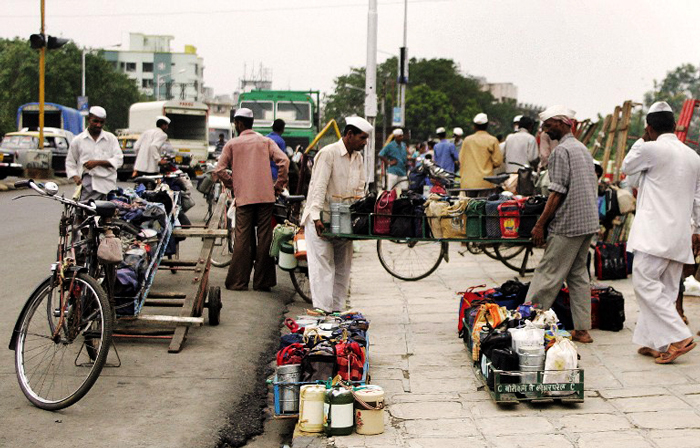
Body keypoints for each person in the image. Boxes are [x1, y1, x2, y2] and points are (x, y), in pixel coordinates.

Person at [621, 101, 700, 363]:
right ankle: (653, 341)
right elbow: (698, 199)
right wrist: (697, 228)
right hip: (679, 235)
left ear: (650, 127)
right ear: (675, 126)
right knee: (665, 291)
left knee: (644, 284)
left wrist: (640, 142)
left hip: (654, 235)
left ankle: (680, 337)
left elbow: (626, 167)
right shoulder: (693, 156)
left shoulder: (651, 149)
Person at [524, 105, 598, 344]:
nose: (545, 131)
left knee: (548, 273)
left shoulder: (561, 151)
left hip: (568, 223)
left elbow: (557, 192)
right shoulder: (582, 149)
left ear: (564, 123)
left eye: (549, 125)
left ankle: (528, 323)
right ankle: (582, 329)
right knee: (578, 275)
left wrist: (540, 224)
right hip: (587, 222)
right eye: (544, 126)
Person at [301, 116, 372, 313]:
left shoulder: (358, 158)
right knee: (323, 267)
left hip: (344, 219)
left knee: (343, 268)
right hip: (320, 219)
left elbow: (359, 189)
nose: (365, 143)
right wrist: (315, 217)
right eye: (362, 138)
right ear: (349, 135)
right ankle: (323, 312)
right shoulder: (328, 153)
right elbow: (318, 186)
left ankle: (337, 312)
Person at [214, 108, 290, 291]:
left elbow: (218, 170)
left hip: (244, 197)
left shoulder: (232, 144)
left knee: (242, 238)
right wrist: (278, 186)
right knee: (264, 237)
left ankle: (238, 281)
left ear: (239, 124)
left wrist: (233, 184)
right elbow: (284, 162)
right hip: (266, 197)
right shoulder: (266, 141)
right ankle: (262, 282)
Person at [65, 106, 123, 201]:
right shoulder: (78, 140)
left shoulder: (111, 139)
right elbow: (70, 162)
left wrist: (97, 163)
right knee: (86, 212)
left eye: (101, 122)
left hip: (108, 183)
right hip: (88, 183)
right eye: (95, 121)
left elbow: (119, 160)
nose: (98, 125)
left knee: (108, 212)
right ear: (89, 119)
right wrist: (75, 176)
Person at [459, 113, 503, 189]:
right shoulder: (492, 140)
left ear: (474, 126)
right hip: (486, 182)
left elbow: (461, 159)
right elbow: (498, 161)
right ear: (487, 125)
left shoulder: (467, 140)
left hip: (467, 183)